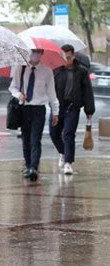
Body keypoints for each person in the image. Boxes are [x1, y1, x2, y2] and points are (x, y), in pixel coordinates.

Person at [9, 49, 59, 181]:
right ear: (29, 52)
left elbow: (52, 93)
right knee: (26, 138)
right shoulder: (20, 67)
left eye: (39, 52)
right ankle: (28, 165)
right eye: (34, 51)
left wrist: (55, 112)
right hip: (24, 108)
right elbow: (12, 87)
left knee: (35, 139)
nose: (36, 54)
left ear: (42, 53)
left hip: (39, 109)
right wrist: (19, 95)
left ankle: (34, 167)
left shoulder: (47, 71)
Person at [51, 44, 95, 175]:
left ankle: (68, 163)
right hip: (57, 108)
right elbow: (50, 89)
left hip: (73, 108)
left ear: (73, 56)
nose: (66, 60)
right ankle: (63, 153)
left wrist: (89, 110)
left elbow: (88, 92)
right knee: (54, 134)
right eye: (64, 57)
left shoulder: (81, 72)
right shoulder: (56, 70)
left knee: (69, 134)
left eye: (68, 57)